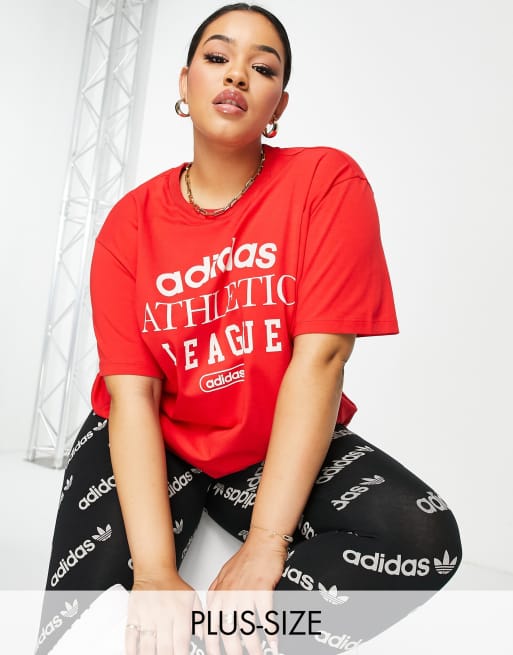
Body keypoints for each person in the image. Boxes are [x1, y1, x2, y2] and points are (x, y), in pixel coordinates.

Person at [35, 3, 462, 654]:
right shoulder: (129, 224)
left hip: (268, 441)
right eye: (217, 58)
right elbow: (133, 395)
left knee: (422, 535)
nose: (236, 75)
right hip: (156, 431)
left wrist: (267, 541)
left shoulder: (325, 182)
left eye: (262, 68)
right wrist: (154, 573)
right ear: (185, 85)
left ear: (278, 104)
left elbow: (321, 360)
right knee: (81, 630)